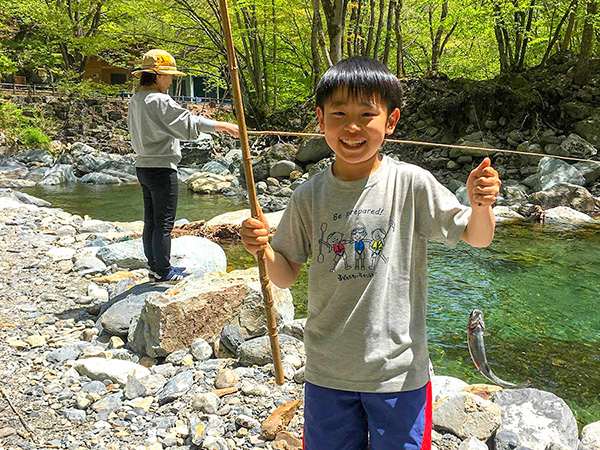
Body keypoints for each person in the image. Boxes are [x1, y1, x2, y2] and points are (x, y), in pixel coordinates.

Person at [240, 57, 501, 449]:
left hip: (399, 373)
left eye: (367, 114)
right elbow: (285, 273)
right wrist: (261, 249)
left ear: (391, 121)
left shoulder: (410, 183)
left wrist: (481, 205)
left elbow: (477, 237)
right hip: (327, 371)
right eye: (339, 113)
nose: (352, 126)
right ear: (320, 119)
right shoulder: (308, 195)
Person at [128, 49, 239, 284]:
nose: (171, 80)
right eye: (169, 76)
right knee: (164, 224)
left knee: (152, 221)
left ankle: (154, 268)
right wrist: (223, 126)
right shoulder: (159, 100)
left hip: (143, 167)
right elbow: (187, 123)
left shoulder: (137, 99)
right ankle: (164, 272)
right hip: (161, 168)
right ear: (157, 76)